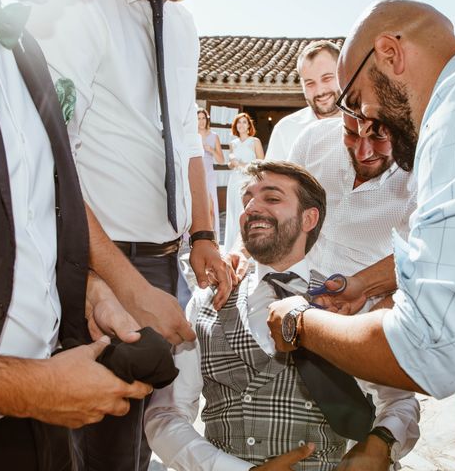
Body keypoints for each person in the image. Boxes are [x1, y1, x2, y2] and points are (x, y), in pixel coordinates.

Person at [267, 0, 455, 470]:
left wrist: (297, 322)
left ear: (389, 53)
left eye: (356, 98)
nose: (365, 120)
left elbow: (431, 351)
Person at [0, 0, 154, 469]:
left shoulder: (25, 49)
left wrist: (86, 290)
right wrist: (26, 388)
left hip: (34, 440)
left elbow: (16, 218)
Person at [28, 0, 232, 469]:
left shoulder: (182, 23)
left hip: (166, 260)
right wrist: (124, 283)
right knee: (106, 440)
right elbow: (48, 151)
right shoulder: (80, 7)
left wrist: (203, 234)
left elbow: (186, 134)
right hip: (103, 261)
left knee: (147, 431)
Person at [145, 160, 419, 471]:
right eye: (247, 199)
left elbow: (399, 401)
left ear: (309, 218)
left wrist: (381, 443)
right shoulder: (206, 302)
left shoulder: (347, 301)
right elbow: (166, 414)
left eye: (272, 198)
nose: (252, 208)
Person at [287, 116, 415, 303]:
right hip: (292, 280)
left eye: (378, 137)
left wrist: (360, 287)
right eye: (351, 133)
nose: (362, 153)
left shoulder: (423, 171)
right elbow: (279, 200)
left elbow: (419, 257)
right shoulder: (314, 136)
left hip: (361, 304)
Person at [264, 40, 341, 161]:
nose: (320, 91)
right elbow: (271, 180)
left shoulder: (367, 125)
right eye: (310, 83)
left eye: (327, 78)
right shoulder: (285, 129)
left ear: (343, 73)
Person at [223, 112, 264, 251]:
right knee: (234, 212)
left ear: (249, 126)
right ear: (236, 126)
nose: (241, 125)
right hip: (234, 180)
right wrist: (232, 163)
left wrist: (241, 165)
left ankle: (248, 248)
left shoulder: (255, 141)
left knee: (246, 211)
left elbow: (261, 163)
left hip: (248, 180)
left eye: (244, 122)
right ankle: (233, 248)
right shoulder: (233, 143)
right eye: (238, 122)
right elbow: (230, 164)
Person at [198, 107, 224, 241]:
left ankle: (211, 237)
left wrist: (211, 150)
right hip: (195, 172)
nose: (201, 121)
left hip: (208, 173)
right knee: (195, 205)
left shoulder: (214, 136)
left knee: (211, 207)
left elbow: (221, 160)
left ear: (207, 120)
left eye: (203, 118)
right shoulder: (191, 135)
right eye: (198, 118)